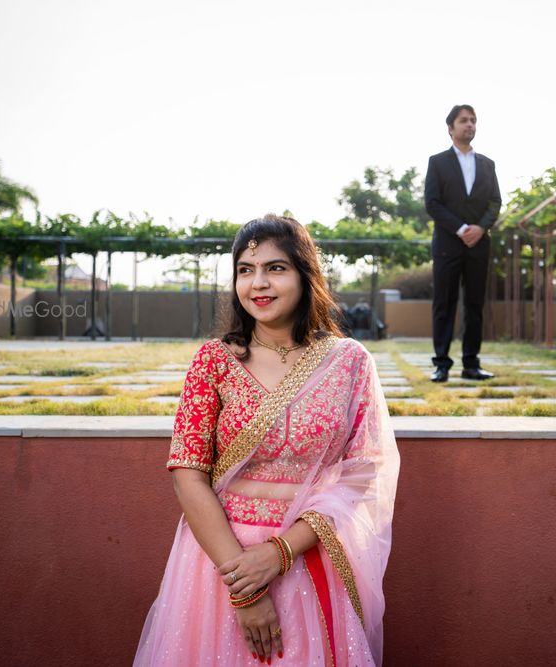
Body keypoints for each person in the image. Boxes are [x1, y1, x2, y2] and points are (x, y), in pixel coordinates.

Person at [134, 214, 400, 666]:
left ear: (304, 274)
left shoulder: (349, 362)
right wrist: (244, 588)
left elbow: (364, 471)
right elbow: (187, 474)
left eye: (275, 268)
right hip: (222, 562)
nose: (258, 283)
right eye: (245, 269)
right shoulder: (214, 361)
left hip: (306, 556)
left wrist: (280, 553)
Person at [424, 103, 501, 383]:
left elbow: (495, 201)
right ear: (451, 128)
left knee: (475, 304)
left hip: (479, 244)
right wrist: (460, 228)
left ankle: (471, 364)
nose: (469, 125)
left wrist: (480, 228)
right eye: (463, 120)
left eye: (473, 120)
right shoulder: (437, 162)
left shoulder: (487, 164)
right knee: (444, 303)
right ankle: (441, 364)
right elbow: (432, 203)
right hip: (447, 243)